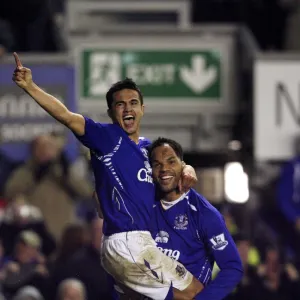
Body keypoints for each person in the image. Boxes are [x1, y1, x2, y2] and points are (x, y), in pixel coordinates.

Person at [12, 53, 203, 300]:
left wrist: (188, 169)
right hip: (126, 243)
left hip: (144, 243)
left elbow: (177, 170)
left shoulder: (150, 149)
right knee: (192, 294)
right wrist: (30, 86)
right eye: (120, 104)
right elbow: (67, 116)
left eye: (133, 102)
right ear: (111, 112)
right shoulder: (107, 138)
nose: (127, 108)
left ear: (142, 109)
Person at [148, 137, 243, 300]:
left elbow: (232, 268)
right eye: (157, 164)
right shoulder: (144, 206)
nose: (164, 169)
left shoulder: (204, 214)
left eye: (171, 162)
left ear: (182, 166)